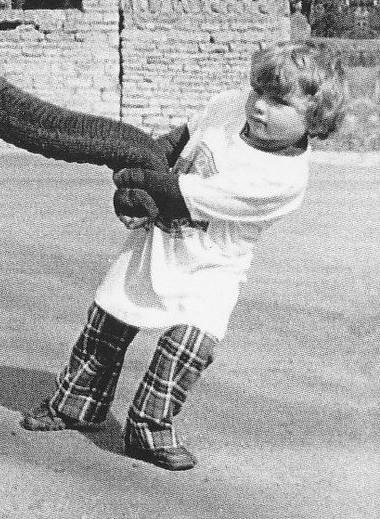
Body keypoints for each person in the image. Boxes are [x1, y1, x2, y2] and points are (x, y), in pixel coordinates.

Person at [21, 41, 348, 471]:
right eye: (258, 92)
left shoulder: (283, 179)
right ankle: (76, 403)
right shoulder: (229, 105)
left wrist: (133, 177)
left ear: (315, 119)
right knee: (108, 323)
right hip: (159, 242)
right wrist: (142, 176)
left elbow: (178, 194)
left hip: (213, 265)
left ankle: (148, 426)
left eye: (279, 101)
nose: (259, 106)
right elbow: (179, 141)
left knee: (188, 347)